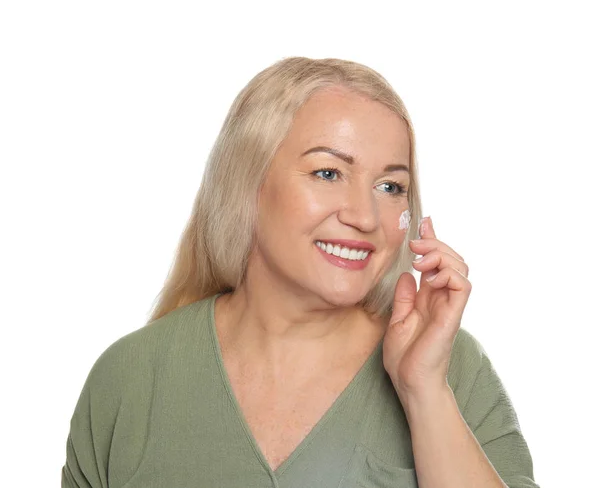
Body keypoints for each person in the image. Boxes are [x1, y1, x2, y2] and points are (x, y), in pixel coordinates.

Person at [61, 57, 539, 488]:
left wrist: (424, 392)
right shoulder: (127, 381)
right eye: (327, 174)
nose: (366, 217)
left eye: (391, 186)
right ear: (247, 184)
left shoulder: (447, 366)